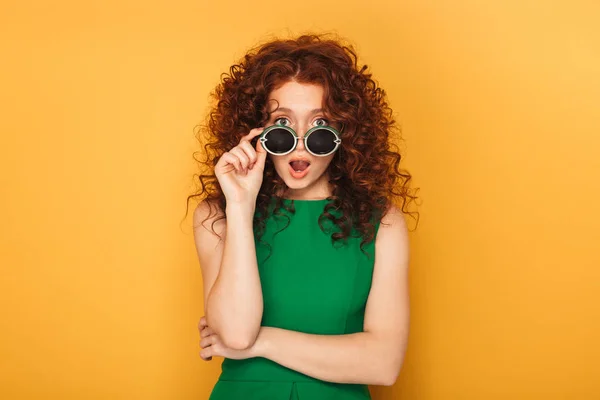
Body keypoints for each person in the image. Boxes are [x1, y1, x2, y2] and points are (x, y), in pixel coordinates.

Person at [187, 33, 419, 400]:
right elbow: (233, 333)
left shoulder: (382, 222)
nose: (300, 143)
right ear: (257, 132)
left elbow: (383, 364)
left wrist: (262, 342)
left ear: (345, 132)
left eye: (320, 125)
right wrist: (241, 207)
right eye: (282, 125)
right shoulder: (217, 216)